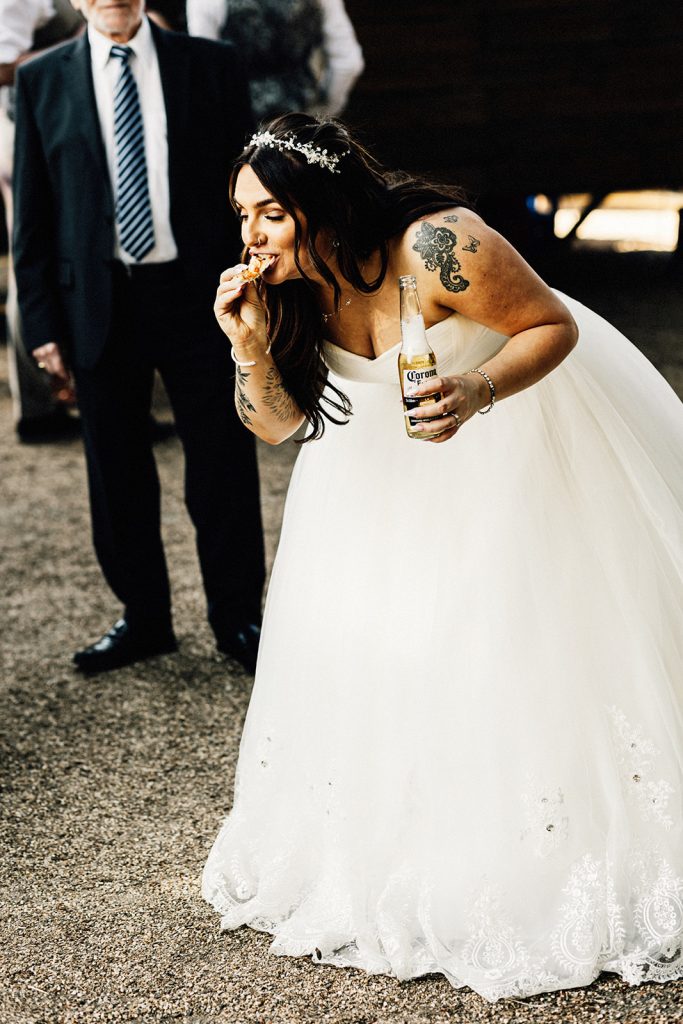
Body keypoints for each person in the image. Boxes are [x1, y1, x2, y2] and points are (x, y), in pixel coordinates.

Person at [202, 114, 683, 1001]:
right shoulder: (286, 292)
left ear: (323, 202)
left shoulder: (438, 245)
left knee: (504, 648)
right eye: (242, 216)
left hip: (504, 459)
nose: (251, 236)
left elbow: (549, 326)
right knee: (387, 658)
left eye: (270, 213)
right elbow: (276, 426)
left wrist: (475, 386)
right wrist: (248, 348)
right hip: (370, 490)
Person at [13, 0, 265, 674]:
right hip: (97, 303)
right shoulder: (41, 80)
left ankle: (238, 618)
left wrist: (258, 288)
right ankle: (144, 618)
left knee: (222, 462)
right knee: (115, 469)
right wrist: (40, 326)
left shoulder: (209, 66)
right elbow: (32, 214)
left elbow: (249, 192)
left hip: (199, 294)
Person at [0, 0, 83, 442]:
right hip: (18, 126)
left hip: (35, 120)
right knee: (30, 255)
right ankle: (38, 405)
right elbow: (0, 67)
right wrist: (83, 44)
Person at [187, 0, 363, 121]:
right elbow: (348, 62)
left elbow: (205, 71)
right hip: (299, 119)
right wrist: (323, 110)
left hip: (239, 120)